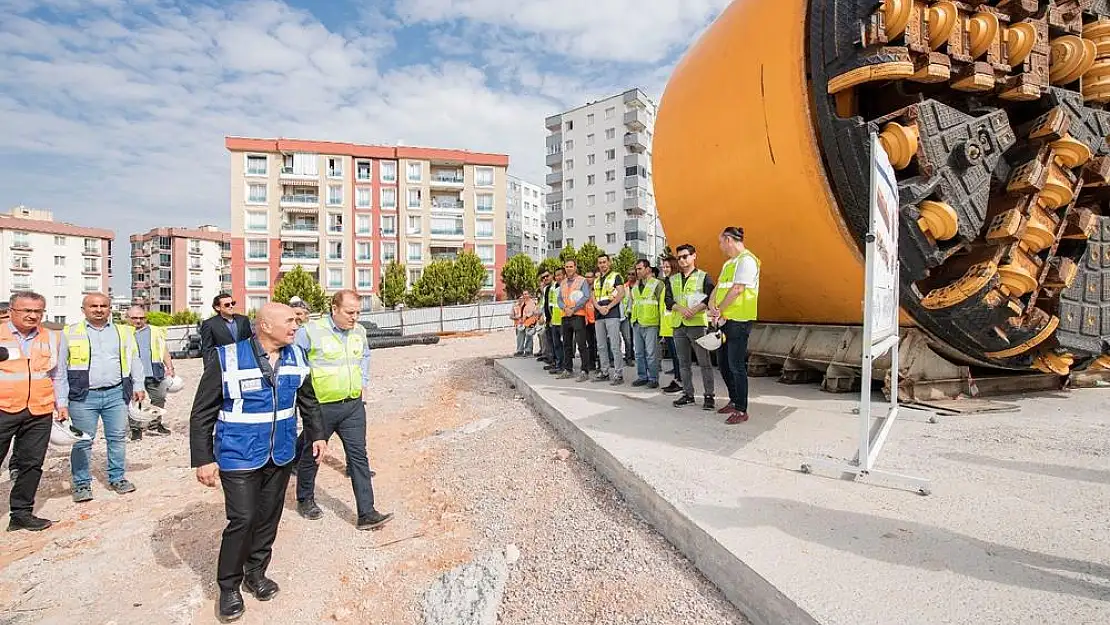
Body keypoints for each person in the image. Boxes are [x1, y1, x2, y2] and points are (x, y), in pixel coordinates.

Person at [190, 303, 328, 622]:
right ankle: (228, 587)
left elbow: (308, 400)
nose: (296, 326)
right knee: (243, 519)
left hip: (279, 454)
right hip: (238, 455)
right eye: (290, 321)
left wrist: (317, 434)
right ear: (265, 326)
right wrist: (203, 458)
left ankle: (256, 574)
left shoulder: (297, 356)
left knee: (268, 518)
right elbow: (202, 413)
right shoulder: (227, 358)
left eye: (296, 320)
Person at [294, 290, 393, 531]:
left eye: (358, 312)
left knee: (359, 456)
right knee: (313, 454)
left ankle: (366, 513)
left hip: (352, 406)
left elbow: (365, 356)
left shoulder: (359, 331)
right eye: (350, 312)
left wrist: (364, 383)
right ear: (334, 308)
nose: (355, 317)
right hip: (320, 407)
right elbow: (296, 363)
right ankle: (305, 499)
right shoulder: (310, 331)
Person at [57, 293, 146, 502]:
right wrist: (61, 401)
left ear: (110, 308)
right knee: (82, 441)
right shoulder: (70, 333)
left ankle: (117, 478)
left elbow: (134, 359)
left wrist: (139, 384)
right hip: (83, 396)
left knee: (116, 438)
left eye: (103, 306)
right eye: (93, 306)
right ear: (84, 310)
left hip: (116, 394)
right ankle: (81, 484)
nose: (99, 309)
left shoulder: (123, 332)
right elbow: (60, 370)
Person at [0, 292, 66, 531]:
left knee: (31, 463)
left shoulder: (50, 337)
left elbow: (57, 374)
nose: (32, 315)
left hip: (39, 409)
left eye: (38, 311)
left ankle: (21, 513)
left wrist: (62, 403)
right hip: (3, 408)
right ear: (11, 311)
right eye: (26, 311)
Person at [709, 226, 761, 424]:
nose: (720, 246)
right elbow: (719, 287)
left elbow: (738, 289)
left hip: (739, 321)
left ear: (729, 240)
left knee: (736, 365)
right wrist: (712, 305)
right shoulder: (729, 264)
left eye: (721, 242)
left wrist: (720, 308)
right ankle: (734, 399)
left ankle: (741, 409)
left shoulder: (747, 261)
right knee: (723, 364)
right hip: (724, 320)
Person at [666, 244, 717, 411]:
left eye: (685, 256)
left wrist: (694, 310)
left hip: (696, 324)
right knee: (683, 363)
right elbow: (668, 300)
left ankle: (709, 396)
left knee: (704, 362)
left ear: (694, 256)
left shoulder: (704, 277)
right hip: (678, 324)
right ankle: (688, 394)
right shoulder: (672, 279)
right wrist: (681, 309)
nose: (682, 260)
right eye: (679, 257)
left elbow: (710, 297)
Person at [125, 306, 174, 440]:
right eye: (135, 318)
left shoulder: (155, 331)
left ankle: (155, 424)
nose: (139, 321)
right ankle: (135, 429)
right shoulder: (123, 332)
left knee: (159, 399)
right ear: (127, 318)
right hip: (131, 374)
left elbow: (163, 350)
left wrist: (170, 367)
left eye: (142, 317)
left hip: (154, 371)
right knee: (135, 402)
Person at [591, 254, 627, 385]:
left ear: (609, 262)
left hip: (612, 313)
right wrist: (599, 308)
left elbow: (621, 293)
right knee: (601, 345)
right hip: (599, 314)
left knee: (614, 345)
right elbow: (593, 296)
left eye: (604, 262)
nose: (602, 265)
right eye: (600, 262)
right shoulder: (596, 279)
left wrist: (609, 307)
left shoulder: (616, 276)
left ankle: (618, 374)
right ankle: (604, 372)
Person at [628, 261, 663, 389]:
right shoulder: (636, 286)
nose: (638, 272)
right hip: (637, 322)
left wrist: (662, 326)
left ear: (648, 269)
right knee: (638, 353)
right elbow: (634, 303)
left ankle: (653, 378)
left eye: (640, 269)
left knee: (651, 353)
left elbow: (661, 305)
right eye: (636, 269)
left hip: (651, 323)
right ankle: (642, 377)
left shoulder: (657, 284)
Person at [557, 260, 593, 381]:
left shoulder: (582, 281)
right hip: (565, 315)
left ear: (575, 267)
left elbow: (586, 296)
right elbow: (559, 299)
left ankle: (584, 371)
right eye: (566, 267)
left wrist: (573, 309)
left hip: (578, 315)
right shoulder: (562, 283)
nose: (569, 269)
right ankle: (568, 369)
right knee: (566, 344)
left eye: (571, 266)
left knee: (581, 344)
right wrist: (565, 308)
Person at [200, 293, 254, 365]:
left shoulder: (243, 320)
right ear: (217, 308)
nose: (231, 306)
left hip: (244, 363)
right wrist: (209, 370)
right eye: (227, 305)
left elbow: (250, 342)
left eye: (232, 303)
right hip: (223, 365)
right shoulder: (209, 324)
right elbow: (207, 350)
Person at [659, 256, 683, 393]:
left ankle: (681, 383)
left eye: (667, 266)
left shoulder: (676, 282)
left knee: (679, 356)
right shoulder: (667, 282)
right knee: (675, 356)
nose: (664, 269)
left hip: (675, 324)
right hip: (667, 325)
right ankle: (677, 380)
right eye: (663, 266)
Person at [544, 268, 566, 374]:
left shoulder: (567, 287)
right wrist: (551, 318)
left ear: (564, 276)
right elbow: (550, 305)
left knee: (565, 344)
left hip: (564, 321)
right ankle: (558, 364)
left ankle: (565, 366)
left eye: (560, 275)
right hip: (555, 321)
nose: (558, 277)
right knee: (556, 344)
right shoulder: (553, 288)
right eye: (556, 275)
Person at [510, 291, 540, 357]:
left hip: (530, 322)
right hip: (523, 323)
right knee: (520, 337)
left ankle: (528, 351)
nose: (524, 295)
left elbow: (533, 312)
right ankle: (520, 351)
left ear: (529, 295)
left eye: (526, 294)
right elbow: (520, 312)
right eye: (523, 294)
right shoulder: (523, 303)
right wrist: (520, 319)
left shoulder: (532, 303)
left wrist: (527, 316)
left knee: (529, 337)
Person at [620, 269, 637, 367]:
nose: (630, 276)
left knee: (636, 338)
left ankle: (635, 355)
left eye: (633, 274)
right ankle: (628, 358)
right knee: (628, 338)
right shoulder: (624, 286)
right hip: (627, 315)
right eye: (629, 274)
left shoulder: (639, 286)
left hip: (637, 315)